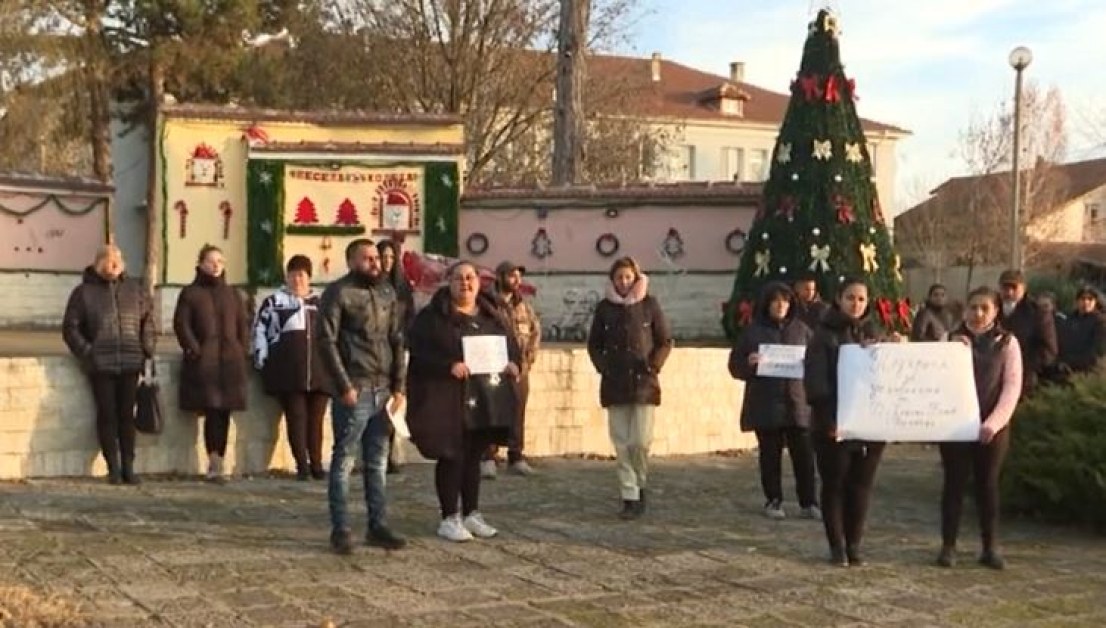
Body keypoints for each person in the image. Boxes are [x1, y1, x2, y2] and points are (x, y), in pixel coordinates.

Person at [406, 261, 522, 542]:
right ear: (449, 282)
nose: (465, 283)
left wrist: (514, 365)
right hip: (446, 398)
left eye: (470, 278)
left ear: (479, 282)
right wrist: (448, 365)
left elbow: (512, 347)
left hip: (483, 398)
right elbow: (418, 355)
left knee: (474, 456)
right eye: (458, 278)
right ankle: (449, 517)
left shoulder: (492, 315)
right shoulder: (432, 318)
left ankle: (472, 513)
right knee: (452, 455)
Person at [317, 238, 407, 554]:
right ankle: (341, 529)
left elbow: (396, 340)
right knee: (344, 461)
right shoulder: (339, 293)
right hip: (354, 387)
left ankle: (377, 525)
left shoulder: (387, 292)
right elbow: (325, 342)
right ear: (352, 261)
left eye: (377, 258)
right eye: (367, 258)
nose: (375, 263)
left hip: (383, 389)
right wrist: (344, 387)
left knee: (377, 462)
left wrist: (399, 387)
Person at [804, 277, 901, 567]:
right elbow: (816, 384)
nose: (856, 304)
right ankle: (837, 546)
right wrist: (829, 420)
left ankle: (855, 544)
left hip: (870, 425)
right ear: (838, 298)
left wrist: (892, 349)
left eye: (861, 299)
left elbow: (888, 375)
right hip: (834, 426)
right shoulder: (823, 334)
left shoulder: (874, 330)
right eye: (850, 297)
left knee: (861, 486)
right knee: (835, 485)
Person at [939, 286, 1024, 570]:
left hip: (992, 428)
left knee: (987, 486)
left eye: (984, 308)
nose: (977, 313)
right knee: (954, 485)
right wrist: (951, 350)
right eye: (973, 307)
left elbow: (1012, 388)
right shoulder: (950, 339)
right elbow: (933, 381)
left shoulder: (1008, 343)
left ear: (996, 311)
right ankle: (948, 546)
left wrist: (994, 423)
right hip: (955, 427)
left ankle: (990, 547)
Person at [586, 257, 674, 520]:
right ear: (612, 280)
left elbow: (665, 340)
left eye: (627, 277)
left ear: (635, 278)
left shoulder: (649, 305)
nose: (623, 282)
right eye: (619, 278)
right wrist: (604, 366)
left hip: (643, 383)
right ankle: (629, 494)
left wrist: (654, 365)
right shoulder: (604, 308)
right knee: (621, 443)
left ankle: (641, 483)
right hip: (615, 384)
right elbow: (594, 345)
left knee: (640, 441)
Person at [62, 243, 155, 485]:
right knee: (107, 414)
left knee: (127, 415)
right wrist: (88, 353)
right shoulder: (83, 293)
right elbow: (71, 328)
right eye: (110, 261)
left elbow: (148, 321)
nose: (115, 266)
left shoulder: (134, 290)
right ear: (99, 263)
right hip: (101, 364)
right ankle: (112, 466)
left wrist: (147, 349)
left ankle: (129, 466)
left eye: (118, 261)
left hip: (130, 361)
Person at [728, 282, 819, 520]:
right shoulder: (752, 332)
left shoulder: (802, 331)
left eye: (786, 301)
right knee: (770, 456)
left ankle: (809, 501)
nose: (781, 305)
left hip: (797, 404)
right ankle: (773, 499)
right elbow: (734, 366)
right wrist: (749, 363)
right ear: (767, 304)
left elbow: (818, 362)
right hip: (765, 403)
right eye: (776, 301)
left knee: (805, 457)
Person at [173, 244, 250, 483]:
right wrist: (195, 349)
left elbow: (242, 325)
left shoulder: (233, 294)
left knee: (223, 412)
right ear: (201, 264)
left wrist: (241, 349)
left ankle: (219, 459)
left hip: (229, 362)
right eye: (211, 261)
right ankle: (213, 461)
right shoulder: (190, 293)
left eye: (220, 261)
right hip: (204, 363)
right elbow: (181, 325)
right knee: (211, 410)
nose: (216, 265)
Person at [252, 255, 330, 481]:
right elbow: (260, 331)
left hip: (320, 372)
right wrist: (261, 359)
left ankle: (316, 463)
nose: (297, 280)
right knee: (296, 417)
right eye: (293, 275)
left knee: (316, 421)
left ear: (309, 277)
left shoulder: (321, 303)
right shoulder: (274, 303)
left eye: (301, 275)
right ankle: (302, 465)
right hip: (288, 372)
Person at [482, 261, 541, 479]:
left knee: (518, 411)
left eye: (518, 276)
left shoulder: (522, 305)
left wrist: (527, 361)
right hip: (493, 368)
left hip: (519, 370)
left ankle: (516, 456)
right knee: (490, 412)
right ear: (500, 277)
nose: (516, 280)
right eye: (512, 276)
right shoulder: (487, 303)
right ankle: (488, 456)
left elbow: (535, 332)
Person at [377, 239, 416, 475]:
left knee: (397, 401)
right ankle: (377, 453)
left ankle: (393, 452)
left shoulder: (402, 288)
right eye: (384, 257)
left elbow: (410, 317)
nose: (387, 262)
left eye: (392, 257)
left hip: (400, 349)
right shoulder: (371, 285)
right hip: (377, 350)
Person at [997, 269, 1057, 394]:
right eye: (1005, 287)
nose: (1009, 292)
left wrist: (1023, 366)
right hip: (992, 378)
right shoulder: (991, 308)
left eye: (1014, 287)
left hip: (1024, 380)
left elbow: (1048, 350)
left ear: (1023, 288)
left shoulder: (1037, 313)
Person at [1058, 286, 1106, 376]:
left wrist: (1074, 361)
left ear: (1095, 302)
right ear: (1077, 301)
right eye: (1083, 298)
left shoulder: (1101, 322)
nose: (1086, 302)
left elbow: (1098, 351)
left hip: (1090, 371)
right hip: (1066, 368)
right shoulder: (1070, 319)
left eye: (1090, 299)